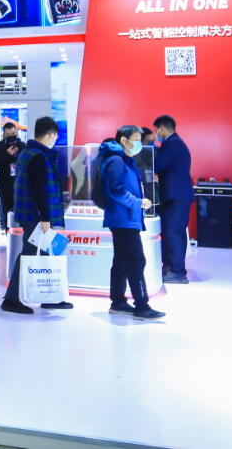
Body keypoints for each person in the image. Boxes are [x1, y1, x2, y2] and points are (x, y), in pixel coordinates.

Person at [1, 117, 72, 314]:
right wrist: (45, 218)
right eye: (55, 135)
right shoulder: (39, 156)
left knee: (46, 253)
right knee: (29, 254)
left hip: (32, 214)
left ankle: (49, 296)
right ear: (50, 134)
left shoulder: (27, 152)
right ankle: (11, 299)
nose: (55, 139)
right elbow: (39, 189)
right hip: (36, 217)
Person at [99, 126, 163, 320]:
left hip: (125, 218)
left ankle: (118, 302)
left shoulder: (123, 160)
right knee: (136, 260)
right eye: (135, 139)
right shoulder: (117, 161)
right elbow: (117, 191)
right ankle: (141, 305)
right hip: (123, 218)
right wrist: (139, 203)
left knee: (121, 261)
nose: (138, 144)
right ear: (123, 140)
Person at [152, 115, 193, 285]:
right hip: (179, 194)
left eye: (156, 131)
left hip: (177, 195)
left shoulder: (171, 143)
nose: (156, 134)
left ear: (162, 128)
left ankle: (178, 272)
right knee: (176, 232)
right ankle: (172, 268)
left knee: (173, 232)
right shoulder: (177, 142)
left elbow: (156, 165)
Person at [0, 123, 22, 232]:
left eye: (13, 133)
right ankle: (8, 232)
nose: (11, 136)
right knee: (6, 209)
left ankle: (19, 233)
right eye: (8, 134)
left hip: (20, 184)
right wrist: (7, 154)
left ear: (17, 133)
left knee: (19, 209)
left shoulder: (22, 146)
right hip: (5, 184)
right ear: (4, 135)